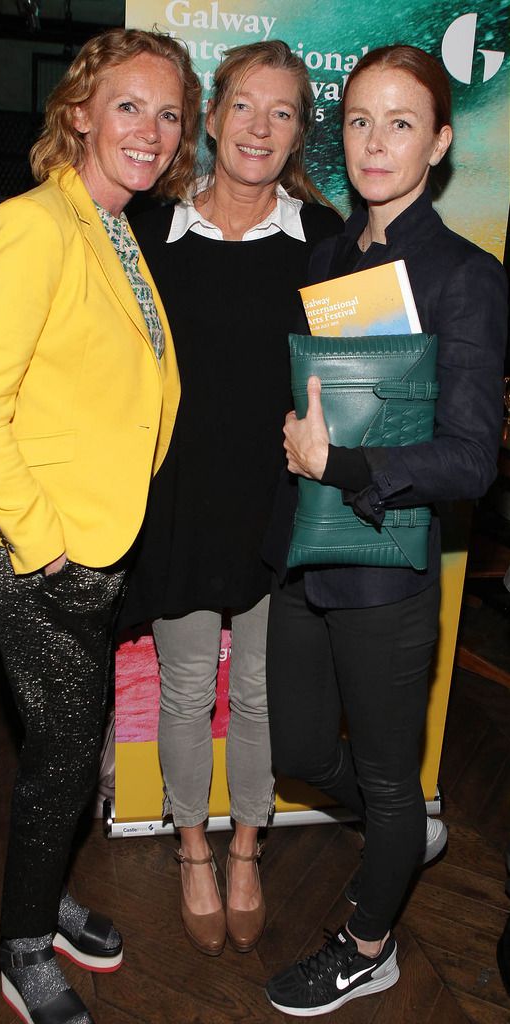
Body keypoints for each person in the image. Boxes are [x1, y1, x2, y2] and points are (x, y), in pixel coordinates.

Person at [0, 28, 200, 1024]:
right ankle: (19, 945)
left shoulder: (114, 224)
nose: (151, 128)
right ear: (80, 112)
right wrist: (43, 537)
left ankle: (44, 899)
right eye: (129, 105)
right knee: (59, 755)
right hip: (40, 548)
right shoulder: (36, 224)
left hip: (96, 538)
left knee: (74, 746)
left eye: (169, 112)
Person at [263, 44, 507, 1016]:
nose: (374, 141)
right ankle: (405, 825)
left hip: (387, 574)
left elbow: (469, 460)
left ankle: (369, 943)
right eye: (359, 119)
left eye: (400, 122)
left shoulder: (466, 278)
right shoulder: (324, 256)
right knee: (298, 750)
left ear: (438, 143)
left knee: (386, 776)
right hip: (302, 557)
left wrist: (349, 467)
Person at [120, 40, 342, 956]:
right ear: (209, 119)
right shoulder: (150, 237)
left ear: (297, 132)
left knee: (252, 691)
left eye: (281, 111)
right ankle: (190, 849)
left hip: (273, 503)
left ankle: (247, 845)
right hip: (175, 502)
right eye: (242, 106)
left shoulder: (322, 242)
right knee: (181, 688)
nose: (258, 126)